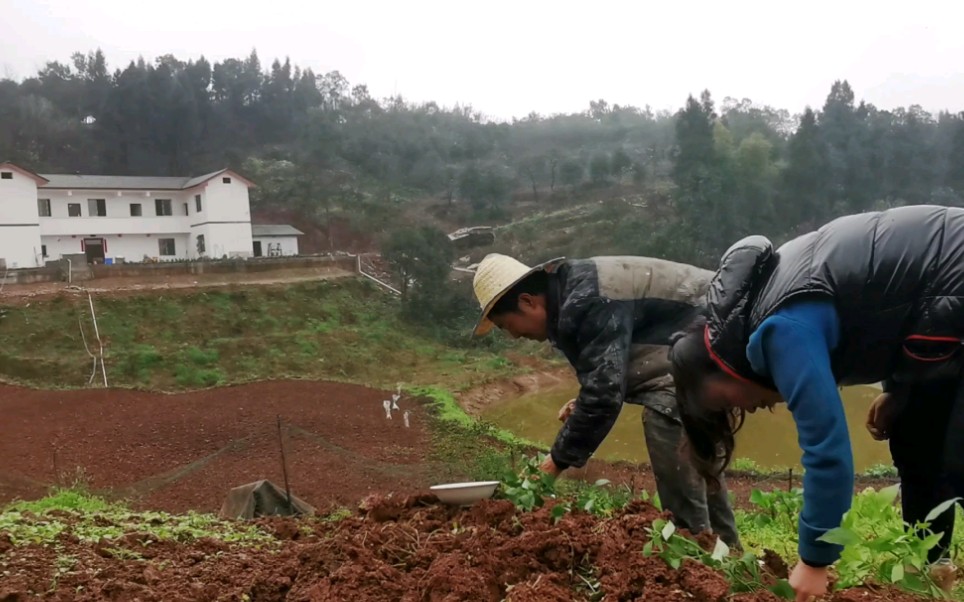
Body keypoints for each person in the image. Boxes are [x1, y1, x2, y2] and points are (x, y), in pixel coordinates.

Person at [667, 204, 964, 601]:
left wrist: (813, 561)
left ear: (720, 365)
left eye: (726, 403)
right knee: (916, 441)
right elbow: (901, 301)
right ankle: (930, 573)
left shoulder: (781, 330)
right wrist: (900, 388)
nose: (746, 410)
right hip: (951, 308)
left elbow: (827, 450)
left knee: (960, 456)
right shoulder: (761, 305)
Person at [471, 252, 741, 547]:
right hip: (703, 349)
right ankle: (728, 554)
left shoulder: (586, 300)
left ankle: (695, 553)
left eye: (509, 326)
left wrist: (554, 464)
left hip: (718, 340)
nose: (515, 337)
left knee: (664, 416)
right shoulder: (576, 294)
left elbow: (604, 394)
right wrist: (583, 401)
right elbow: (609, 365)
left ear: (527, 302)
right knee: (701, 462)